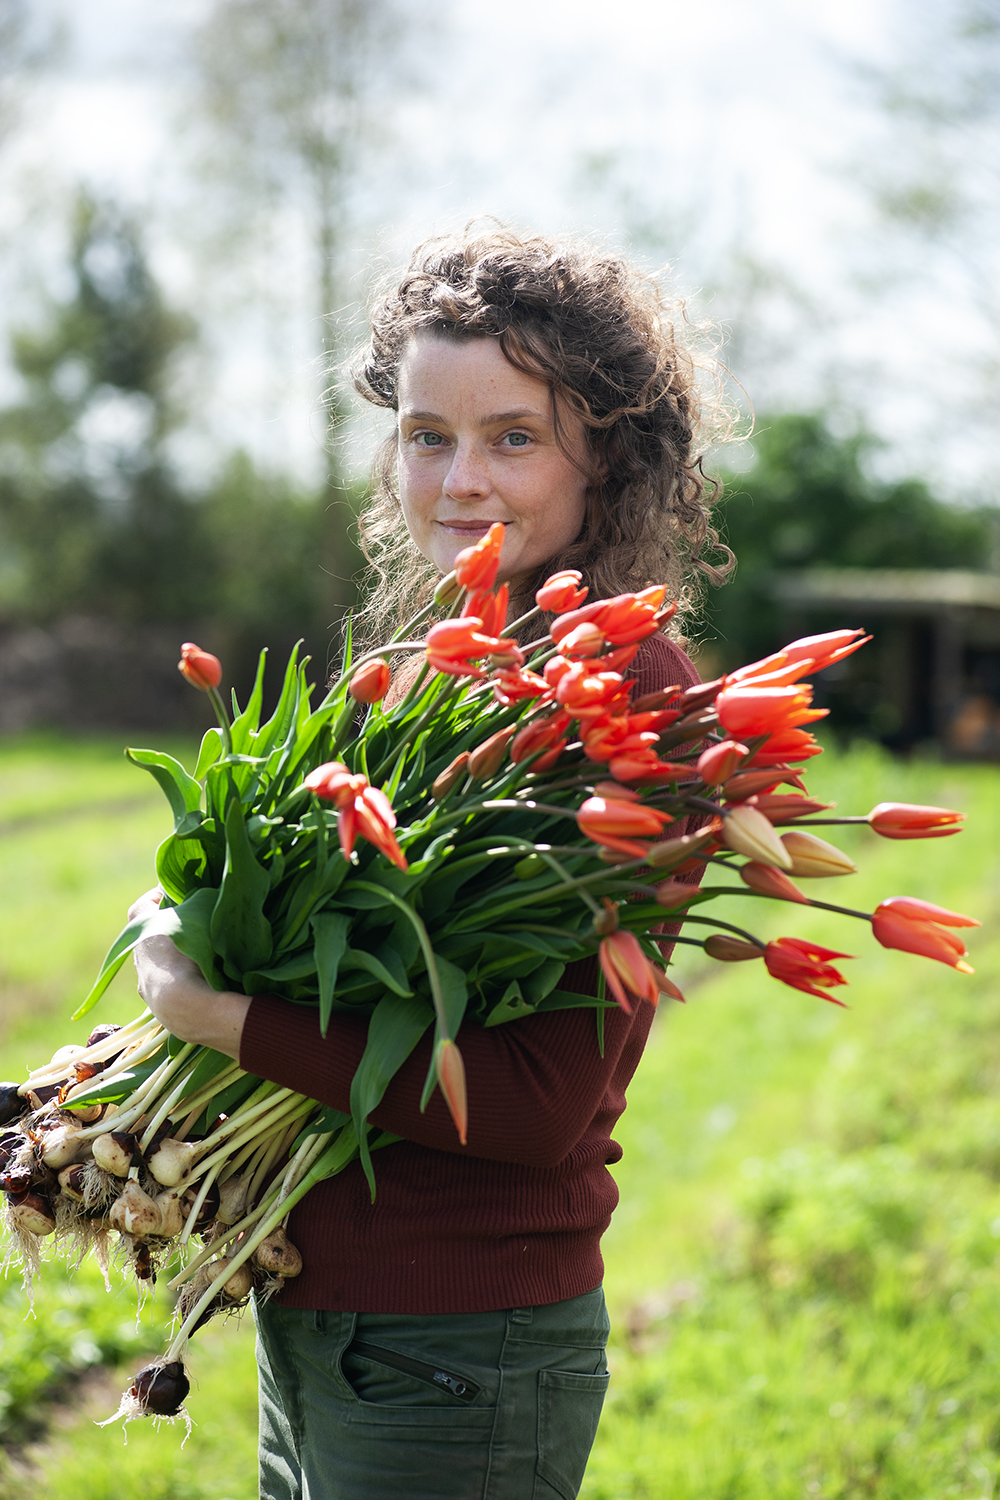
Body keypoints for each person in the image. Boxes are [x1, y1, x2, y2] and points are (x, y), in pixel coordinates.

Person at [131, 225, 726, 1500]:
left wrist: (206, 1014)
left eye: (513, 436)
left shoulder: (636, 702)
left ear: (605, 458)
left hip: (457, 1346)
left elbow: (535, 1104)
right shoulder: (409, 675)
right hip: (326, 1322)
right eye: (425, 434)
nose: (461, 477)